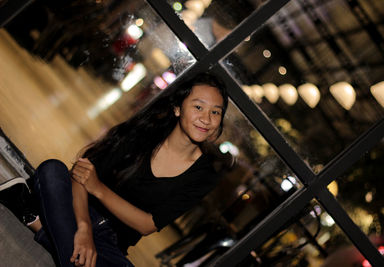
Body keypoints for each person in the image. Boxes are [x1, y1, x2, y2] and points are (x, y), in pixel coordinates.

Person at [0, 72, 231, 267]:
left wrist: (98, 189)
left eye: (215, 112)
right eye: (198, 107)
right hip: (75, 208)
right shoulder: (143, 133)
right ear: (178, 108)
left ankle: (34, 215)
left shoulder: (204, 175)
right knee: (52, 170)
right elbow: (81, 174)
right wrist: (83, 228)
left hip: (111, 241)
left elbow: (147, 224)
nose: (206, 119)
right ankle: (48, 226)